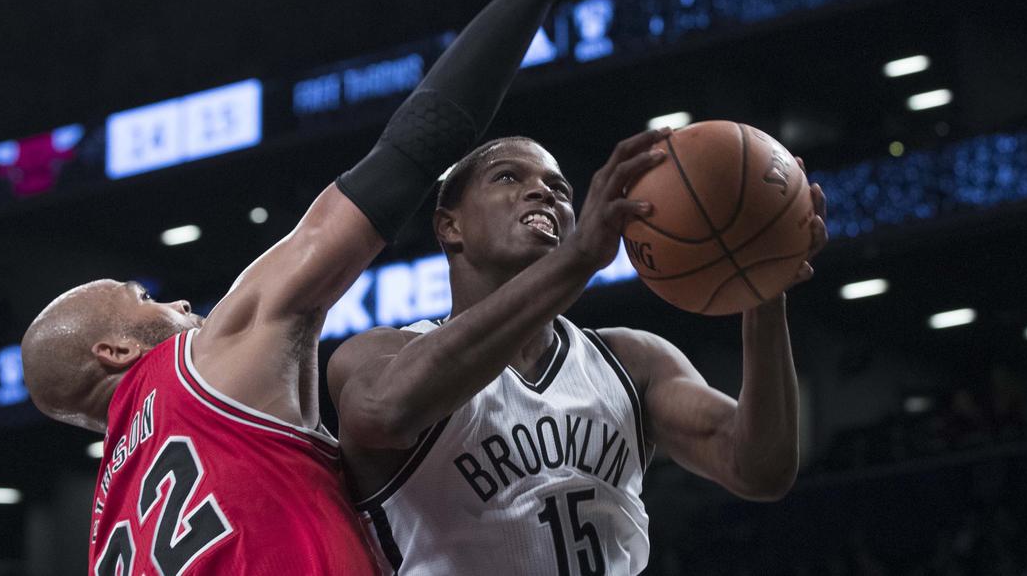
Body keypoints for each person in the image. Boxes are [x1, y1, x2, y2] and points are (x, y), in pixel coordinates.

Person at [17, 0, 724, 570]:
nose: (175, 301)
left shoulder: (112, 525)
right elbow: (416, 147)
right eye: (142, 300)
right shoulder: (213, 356)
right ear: (114, 353)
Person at [329, 126, 825, 574]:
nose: (543, 191)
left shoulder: (632, 362)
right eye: (507, 177)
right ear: (449, 227)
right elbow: (386, 414)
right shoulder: (381, 354)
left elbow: (759, 468)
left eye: (560, 189)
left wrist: (763, 291)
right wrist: (579, 258)